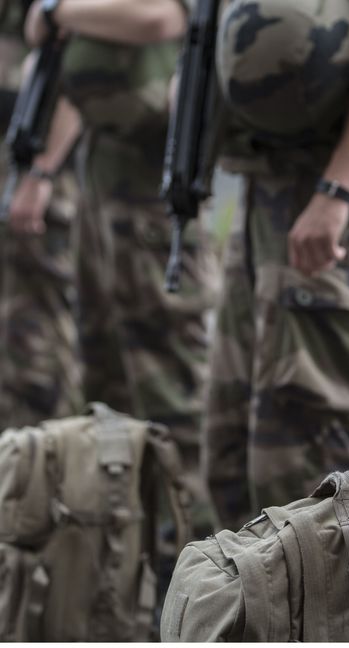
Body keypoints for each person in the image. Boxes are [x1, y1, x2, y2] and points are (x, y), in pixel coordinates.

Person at [204, 0, 349, 531]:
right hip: (262, 191)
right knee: (230, 450)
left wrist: (335, 190)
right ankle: (250, 612)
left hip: (327, 194)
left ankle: (332, 614)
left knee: (303, 469)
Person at [25, 0, 218, 572]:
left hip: (152, 185)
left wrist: (61, 12)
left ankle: (199, 567)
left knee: (171, 390)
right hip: (100, 174)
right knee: (104, 383)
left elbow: (159, 19)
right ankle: (128, 563)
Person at [0, 0, 83, 429]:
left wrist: (40, 172)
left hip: (36, 165)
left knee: (35, 340)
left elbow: (75, 75)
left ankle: (45, 468)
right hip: (15, 159)